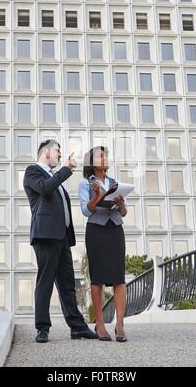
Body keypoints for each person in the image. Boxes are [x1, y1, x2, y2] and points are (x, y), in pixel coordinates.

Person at [23, 139, 97, 343]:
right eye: (57, 150)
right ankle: (42, 328)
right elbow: (45, 188)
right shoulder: (33, 171)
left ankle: (77, 327)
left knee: (67, 284)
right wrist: (66, 168)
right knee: (45, 281)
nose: (59, 154)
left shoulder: (54, 177)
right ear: (45, 152)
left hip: (62, 237)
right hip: (46, 235)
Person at [78, 146, 128, 342]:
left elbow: (123, 213)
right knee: (97, 277)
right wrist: (98, 196)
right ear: (91, 162)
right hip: (96, 231)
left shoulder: (115, 183)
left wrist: (122, 205)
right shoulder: (85, 183)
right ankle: (99, 324)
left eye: (105, 155)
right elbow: (86, 210)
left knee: (119, 277)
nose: (105, 158)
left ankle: (120, 325)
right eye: (101, 156)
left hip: (115, 229)